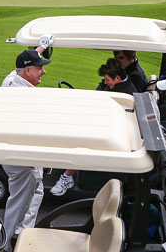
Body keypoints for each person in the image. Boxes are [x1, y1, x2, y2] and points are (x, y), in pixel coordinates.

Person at [54, 57, 136, 196]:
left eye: (107, 79)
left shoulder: (126, 93)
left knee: (82, 141)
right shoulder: (111, 86)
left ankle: (67, 177)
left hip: (114, 132)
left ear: (117, 78)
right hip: (103, 122)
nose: (105, 82)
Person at [1, 38, 51, 245]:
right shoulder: (23, 95)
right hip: (23, 159)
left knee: (36, 193)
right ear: (28, 70)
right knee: (20, 203)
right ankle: (6, 242)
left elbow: (22, 63)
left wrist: (40, 48)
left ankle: (24, 234)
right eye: (39, 68)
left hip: (26, 157)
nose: (43, 72)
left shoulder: (14, 77)